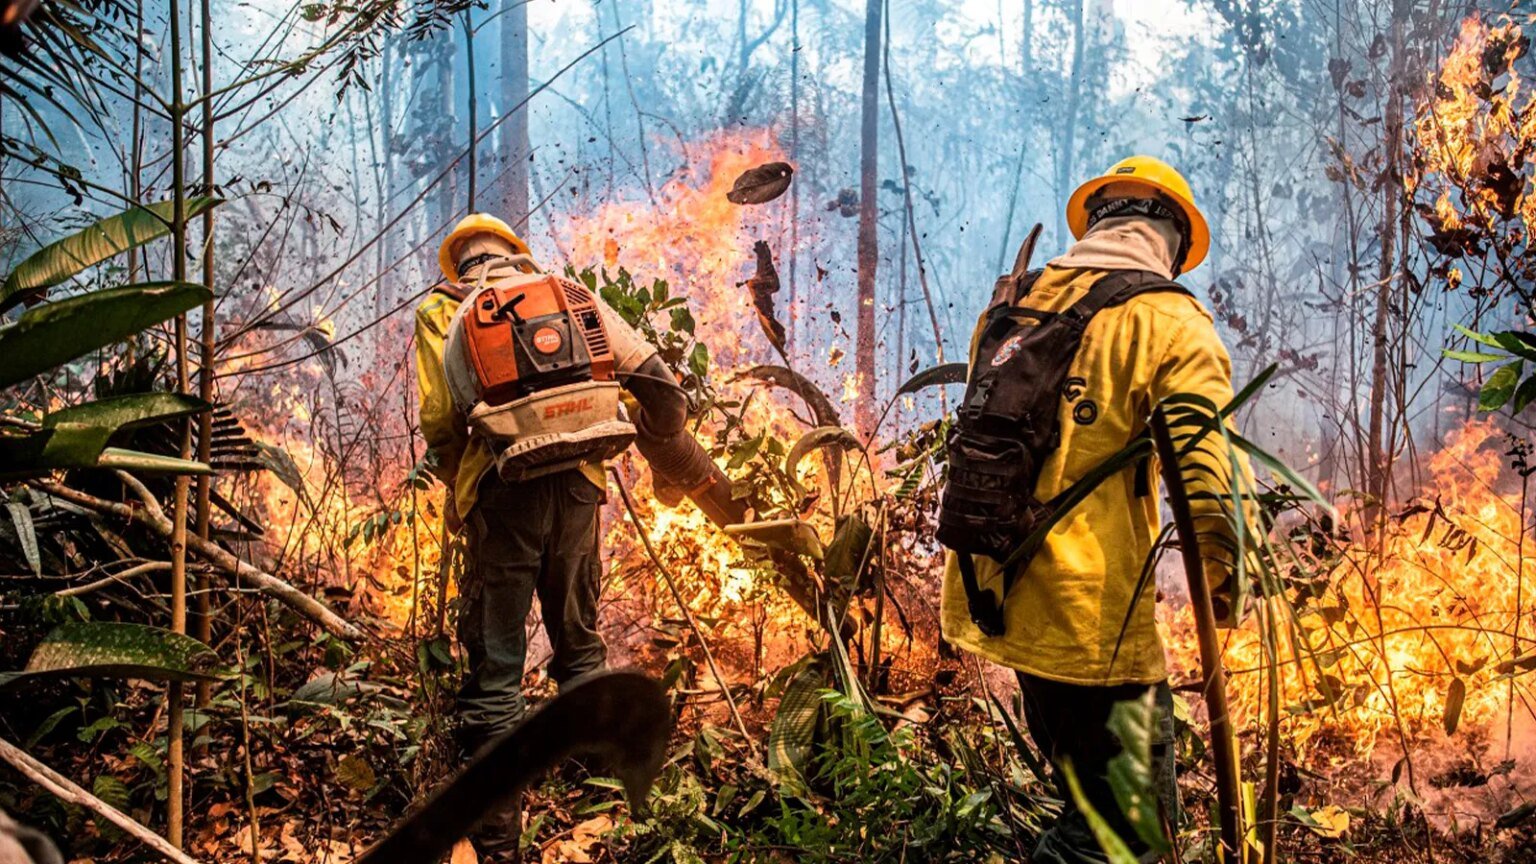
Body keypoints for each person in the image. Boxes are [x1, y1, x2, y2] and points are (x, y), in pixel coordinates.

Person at [940, 156, 1256, 864]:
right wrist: (1224, 584)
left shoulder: (1016, 302)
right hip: (1091, 629)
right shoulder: (1171, 321)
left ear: (1099, 222)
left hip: (996, 593)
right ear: (1174, 239)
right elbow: (1208, 482)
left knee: (1096, 810)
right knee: (1126, 840)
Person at [414, 213, 744, 857]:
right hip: (577, 489)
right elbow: (664, 391)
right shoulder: (567, 295)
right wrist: (662, 452)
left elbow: (440, 418)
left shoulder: (442, 311)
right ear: (516, 253)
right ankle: (607, 813)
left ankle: (499, 842)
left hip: (501, 494)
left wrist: (459, 488)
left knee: (497, 669)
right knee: (579, 645)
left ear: (459, 264)